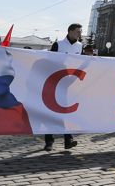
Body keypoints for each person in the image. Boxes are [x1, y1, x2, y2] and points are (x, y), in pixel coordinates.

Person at [44, 23, 83, 152]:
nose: (80, 34)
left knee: (66, 112)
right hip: (55, 82)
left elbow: (81, 63)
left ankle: (68, 140)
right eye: (77, 31)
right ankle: (49, 140)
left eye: (80, 32)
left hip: (70, 84)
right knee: (51, 112)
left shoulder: (80, 46)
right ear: (70, 31)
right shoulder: (58, 45)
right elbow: (50, 61)